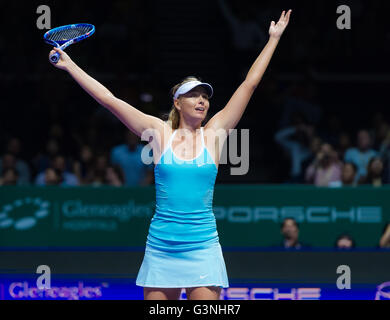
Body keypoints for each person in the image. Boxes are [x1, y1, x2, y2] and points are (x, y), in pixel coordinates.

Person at [48, 10, 292, 300]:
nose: (202, 100)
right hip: (162, 247)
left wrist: (273, 39)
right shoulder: (158, 133)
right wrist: (70, 65)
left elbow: (249, 85)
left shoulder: (214, 134)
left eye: (205, 96)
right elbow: (108, 99)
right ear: (177, 102)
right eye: (193, 95)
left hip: (203, 247)